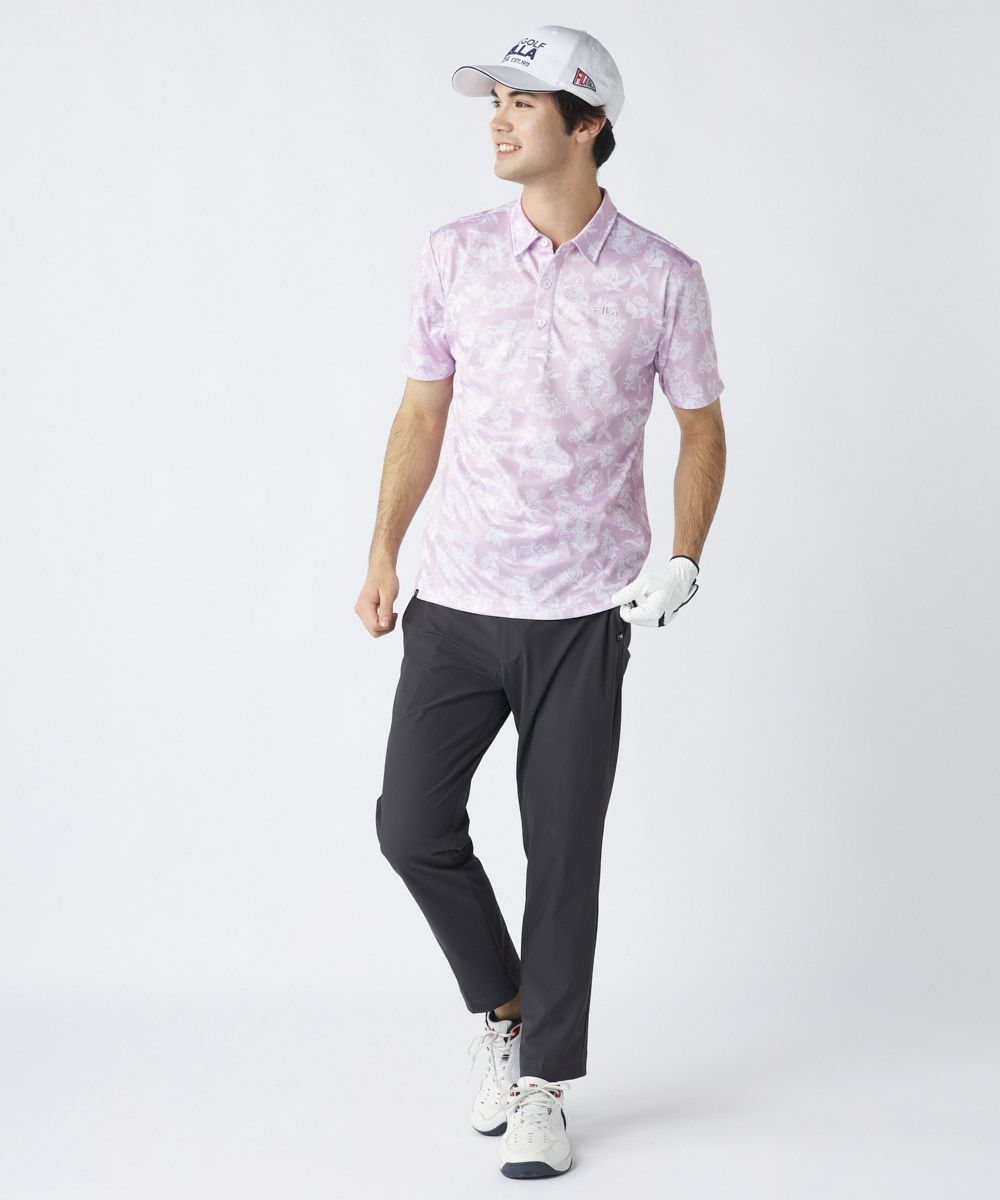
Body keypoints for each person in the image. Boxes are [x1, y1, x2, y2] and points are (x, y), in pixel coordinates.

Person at [358, 25, 727, 1180]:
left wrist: (684, 557)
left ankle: (544, 1088)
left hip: (582, 617)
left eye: (523, 103)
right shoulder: (454, 255)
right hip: (457, 606)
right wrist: (382, 551)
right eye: (495, 102)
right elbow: (420, 412)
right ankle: (506, 1008)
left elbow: (701, 429)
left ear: (588, 124)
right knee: (410, 827)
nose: (499, 119)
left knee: (562, 855)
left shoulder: (663, 277)